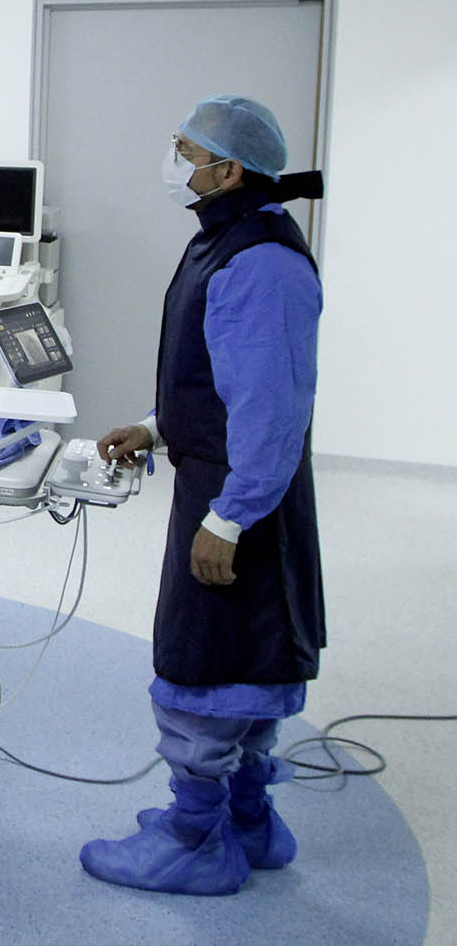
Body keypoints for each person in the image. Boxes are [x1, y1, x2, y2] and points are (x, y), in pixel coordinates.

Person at [80, 95, 325, 896]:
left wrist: (231, 515)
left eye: (186, 151)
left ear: (228, 170)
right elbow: (221, 376)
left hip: (242, 495)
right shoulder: (226, 239)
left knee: (212, 658)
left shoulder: (261, 262)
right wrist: (157, 427)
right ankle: (247, 820)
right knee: (239, 655)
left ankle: (194, 839)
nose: (174, 160)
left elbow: (271, 407)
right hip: (225, 480)